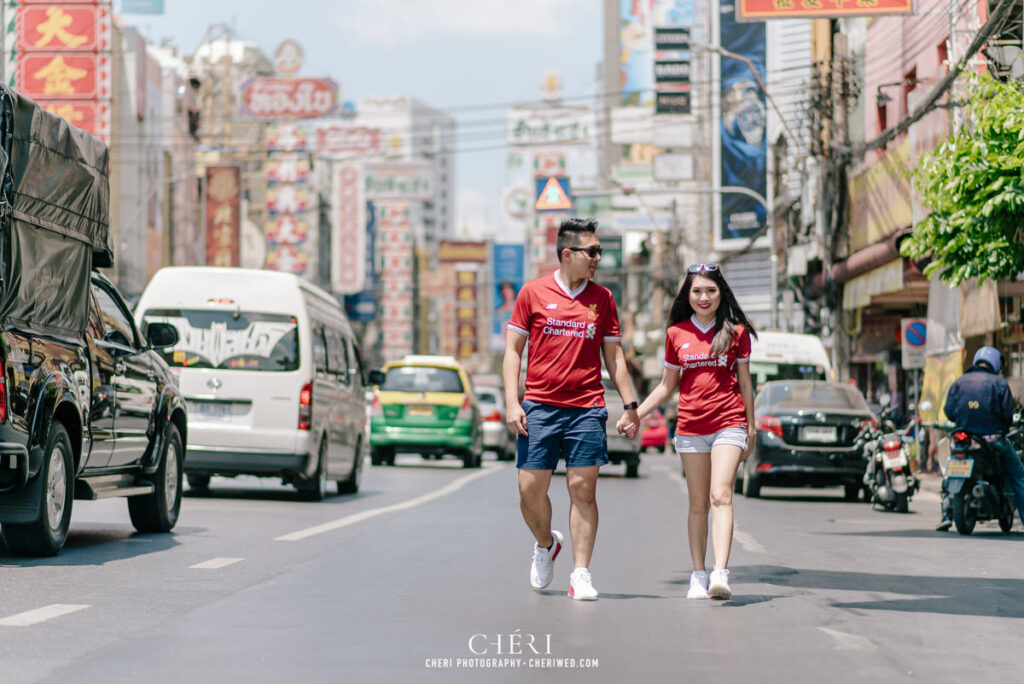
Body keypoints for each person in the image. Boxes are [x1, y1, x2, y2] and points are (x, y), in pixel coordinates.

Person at [504, 217, 639, 601]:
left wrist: (630, 407)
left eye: (599, 251)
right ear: (567, 254)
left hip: (586, 408)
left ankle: (581, 572)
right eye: (592, 251)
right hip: (540, 407)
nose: (598, 257)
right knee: (530, 491)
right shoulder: (532, 293)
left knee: (583, 489)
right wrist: (513, 402)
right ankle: (546, 544)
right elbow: (513, 352)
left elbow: (614, 356)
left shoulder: (603, 299)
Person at [620, 263, 756, 600]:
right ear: (688, 295)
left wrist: (750, 426)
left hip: (729, 422)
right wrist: (634, 414)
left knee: (720, 494)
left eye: (710, 290)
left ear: (720, 292)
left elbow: (746, 384)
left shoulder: (735, 333)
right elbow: (666, 387)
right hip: (691, 428)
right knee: (698, 503)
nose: (704, 297)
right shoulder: (676, 334)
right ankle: (698, 574)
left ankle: (720, 573)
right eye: (697, 291)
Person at [936, 346, 1024, 531]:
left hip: (964, 440)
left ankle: (945, 514)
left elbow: (949, 412)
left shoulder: (959, 382)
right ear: (996, 363)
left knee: (949, 472)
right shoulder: (998, 383)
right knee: (1018, 475)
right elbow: (1008, 415)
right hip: (993, 442)